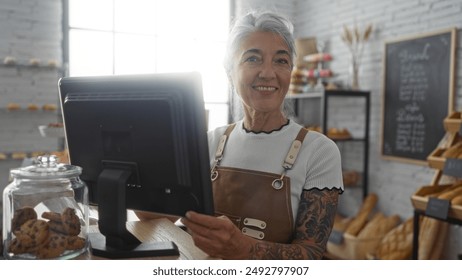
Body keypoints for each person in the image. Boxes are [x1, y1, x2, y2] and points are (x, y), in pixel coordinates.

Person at [180, 10, 344, 260]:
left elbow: (311, 254)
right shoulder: (210, 142)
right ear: (229, 72)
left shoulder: (319, 152)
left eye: (281, 61)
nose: (268, 73)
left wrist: (242, 248)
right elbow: (163, 213)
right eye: (253, 58)